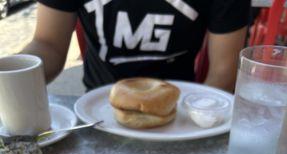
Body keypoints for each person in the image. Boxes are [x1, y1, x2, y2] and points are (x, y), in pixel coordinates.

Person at [23, 0, 251, 92]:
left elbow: (225, 72)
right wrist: (10, 74)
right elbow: (47, 44)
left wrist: (197, 115)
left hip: (180, 111)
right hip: (96, 115)